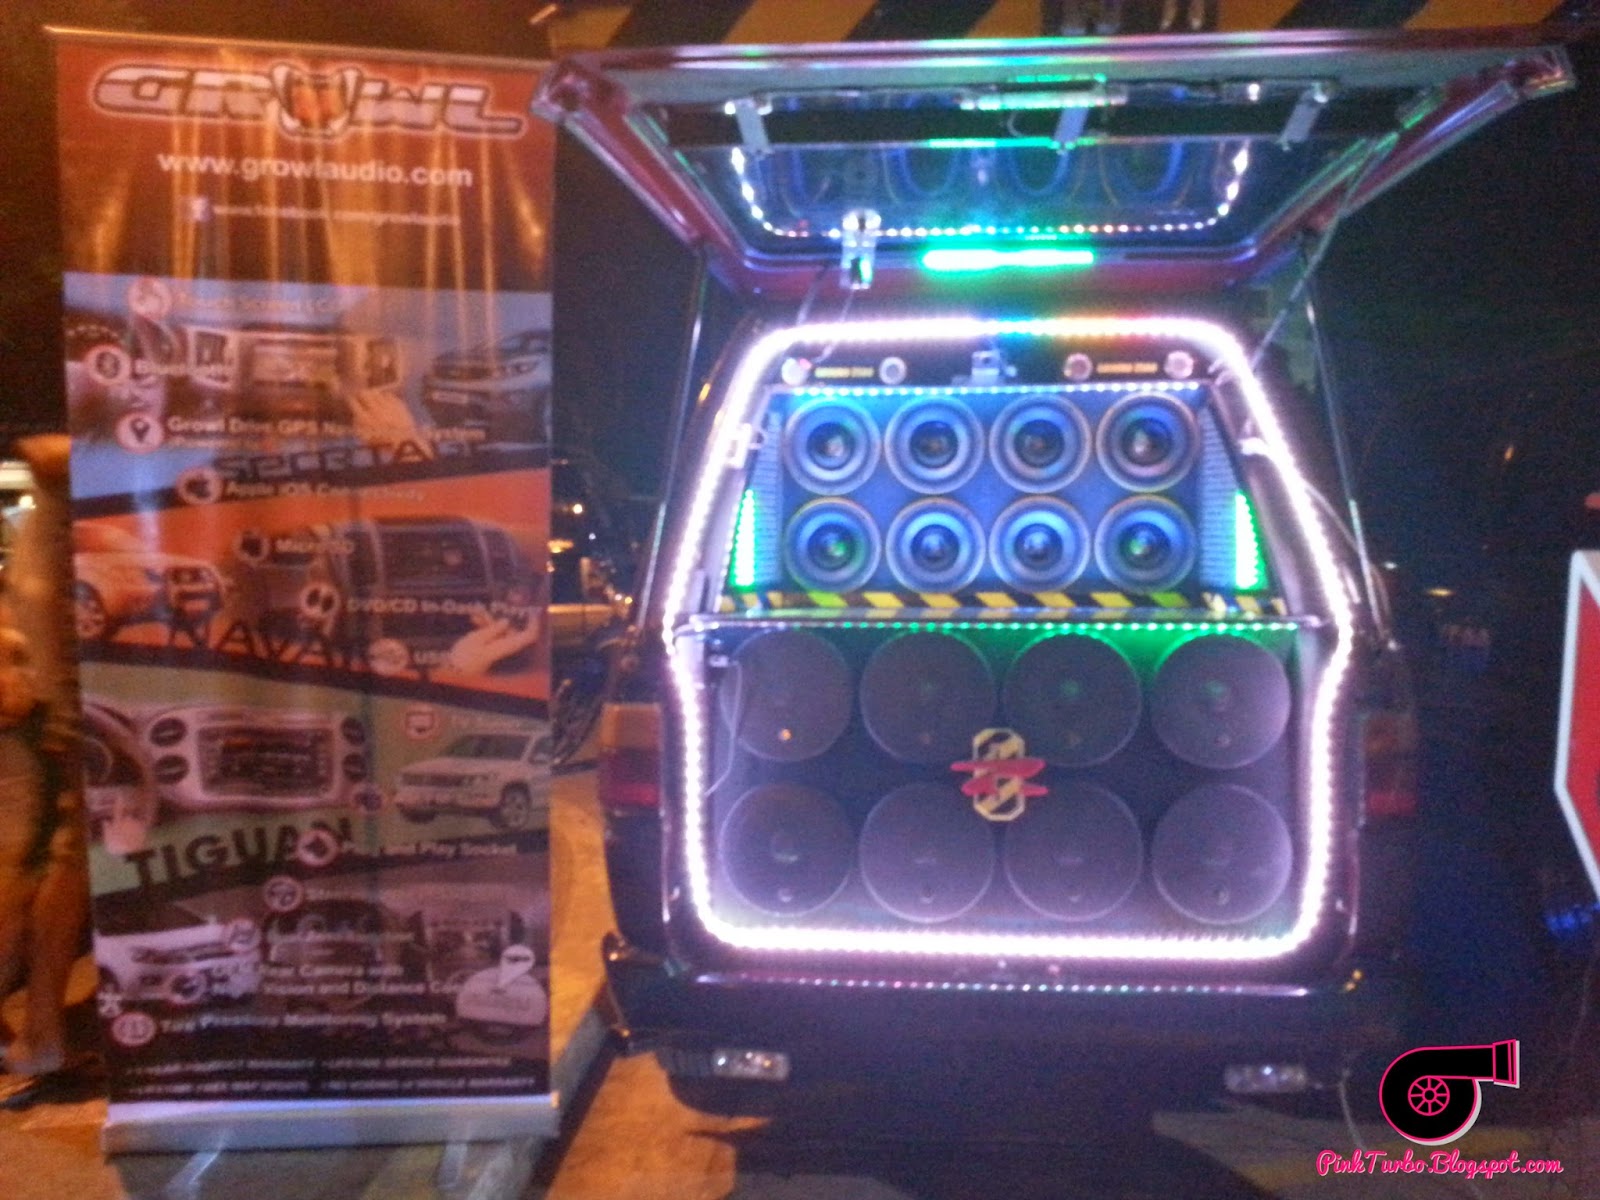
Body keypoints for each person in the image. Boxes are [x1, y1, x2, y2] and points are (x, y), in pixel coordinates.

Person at [0, 434, 90, 1081]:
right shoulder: (65, 478)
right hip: (67, 677)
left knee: (50, 849)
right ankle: (40, 1034)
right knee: (57, 851)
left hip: (59, 673)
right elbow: (45, 452)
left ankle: (40, 1031)